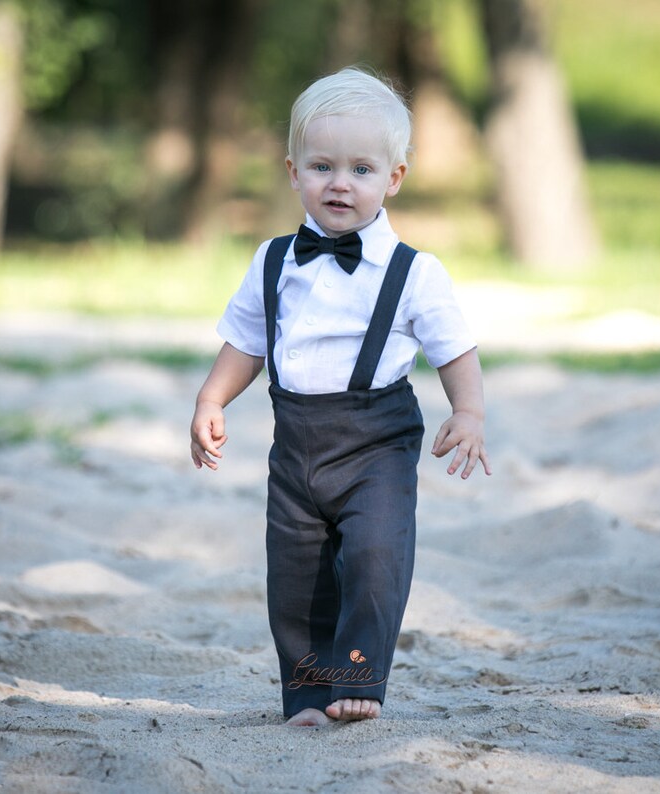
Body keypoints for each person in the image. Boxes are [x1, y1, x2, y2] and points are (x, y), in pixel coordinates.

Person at [190, 66, 491, 727]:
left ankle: (357, 677)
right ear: (293, 172)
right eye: (323, 166)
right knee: (294, 578)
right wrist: (213, 398)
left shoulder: (415, 272)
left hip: (376, 442)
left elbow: (454, 348)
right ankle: (305, 692)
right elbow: (247, 339)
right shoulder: (272, 259)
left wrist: (467, 411)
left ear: (394, 178)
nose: (340, 183)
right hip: (295, 444)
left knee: (376, 555)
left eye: (361, 169)